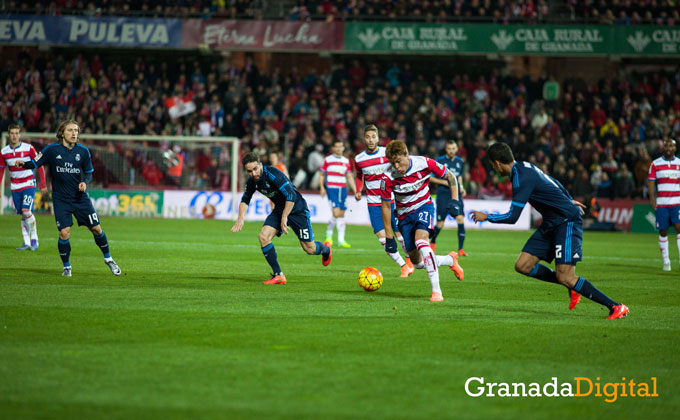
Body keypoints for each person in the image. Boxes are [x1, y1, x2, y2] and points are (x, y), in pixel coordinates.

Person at [471, 142, 629, 319]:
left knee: (566, 276)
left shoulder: (520, 178)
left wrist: (487, 216)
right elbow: (552, 180)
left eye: (492, 165)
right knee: (523, 265)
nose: (493, 169)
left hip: (566, 221)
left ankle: (616, 306)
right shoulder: (524, 166)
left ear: (497, 163)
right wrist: (568, 198)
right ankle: (573, 286)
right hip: (551, 222)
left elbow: (513, 217)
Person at [16, 120, 121, 277]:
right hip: (61, 199)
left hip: (80, 199)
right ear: (62, 133)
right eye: (70, 130)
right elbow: (35, 163)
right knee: (64, 233)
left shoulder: (84, 152)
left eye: (76, 131)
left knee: (96, 229)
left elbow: (89, 173)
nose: (74, 133)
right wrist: (23, 164)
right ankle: (67, 267)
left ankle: (109, 259)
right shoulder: (51, 150)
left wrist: (85, 183)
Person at [380, 140, 464, 302]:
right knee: (418, 263)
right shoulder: (387, 176)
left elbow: (450, 176)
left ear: (406, 155)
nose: (396, 166)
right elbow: (385, 206)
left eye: (398, 161)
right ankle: (449, 259)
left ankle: (437, 292)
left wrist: (455, 200)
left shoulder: (424, 163)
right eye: (392, 162)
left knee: (421, 240)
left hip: (423, 207)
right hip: (404, 216)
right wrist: (389, 236)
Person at [231, 152, 332, 284]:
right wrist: (240, 218)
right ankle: (279, 275)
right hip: (279, 209)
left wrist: (285, 216)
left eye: (255, 169)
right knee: (263, 237)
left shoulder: (273, 174)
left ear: (260, 165)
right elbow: (245, 200)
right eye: (249, 171)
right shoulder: (252, 182)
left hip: (297, 209)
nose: (253, 173)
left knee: (309, 249)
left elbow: (291, 195)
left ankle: (326, 250)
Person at [355, 125, 414, 278]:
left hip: (391, 201)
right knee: (383, 239)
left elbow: (401, 164)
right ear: (364, 138)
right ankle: (403, 266)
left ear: (378, 138)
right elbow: (358, 175)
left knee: (399, 235)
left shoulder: (386, 153)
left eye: (373, 137)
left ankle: (409, 260)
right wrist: (358, 189)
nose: (370, 140)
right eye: (367, 137)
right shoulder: (359, 159)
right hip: (373, 204)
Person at [0, 124, 47, 250]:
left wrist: (42, 183)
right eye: (12, 133)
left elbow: (40, 165)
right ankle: (26, 242)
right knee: (22, 213)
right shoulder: (4, 152)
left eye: (16, 133)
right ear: (8, 135)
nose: (14, 136)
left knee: (26, 211)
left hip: (28, 184)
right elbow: (1, 170)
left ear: (19, 135)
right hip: (15, 187)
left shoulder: (29, 148)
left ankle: (34, 239)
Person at [429, 139, 468, 256]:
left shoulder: (459, 161)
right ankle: (432, 243)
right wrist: (444, 182)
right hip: (443, 194)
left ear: (456, 149)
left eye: (453, 149)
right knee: (440, 223)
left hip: (456, 194)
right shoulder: (439, 161)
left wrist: (461, 187)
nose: (451, 151)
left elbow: (459, 176)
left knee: (460, 218)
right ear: (446, 149)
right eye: (449, 149)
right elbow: (430, 177)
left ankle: (460, 250)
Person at [647, 138, 680, 271]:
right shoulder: (655, 164)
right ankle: (666, 261)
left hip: (677, 202)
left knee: (679, 228)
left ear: (675, 148)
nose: (668, 148)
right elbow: (651, 182)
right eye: (666, 146)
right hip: (662, 203)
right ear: (663, 148)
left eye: (671, 146)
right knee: (663, 231)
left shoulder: (679, 163)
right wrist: (652, 198)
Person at [319, 140, 356, 247]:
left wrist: (355, 190)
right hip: (332, 189)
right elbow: (321, 174)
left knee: (341, 214)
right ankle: (328, 234)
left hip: (342, 189)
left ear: (343, 148)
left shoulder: (346, 161)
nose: (339, 148)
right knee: (335, 213)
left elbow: (349, 176)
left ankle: (341, 239)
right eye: (337, 146)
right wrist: (322, 187)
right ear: (333, 148)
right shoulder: (328, 160)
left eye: (340, 146)